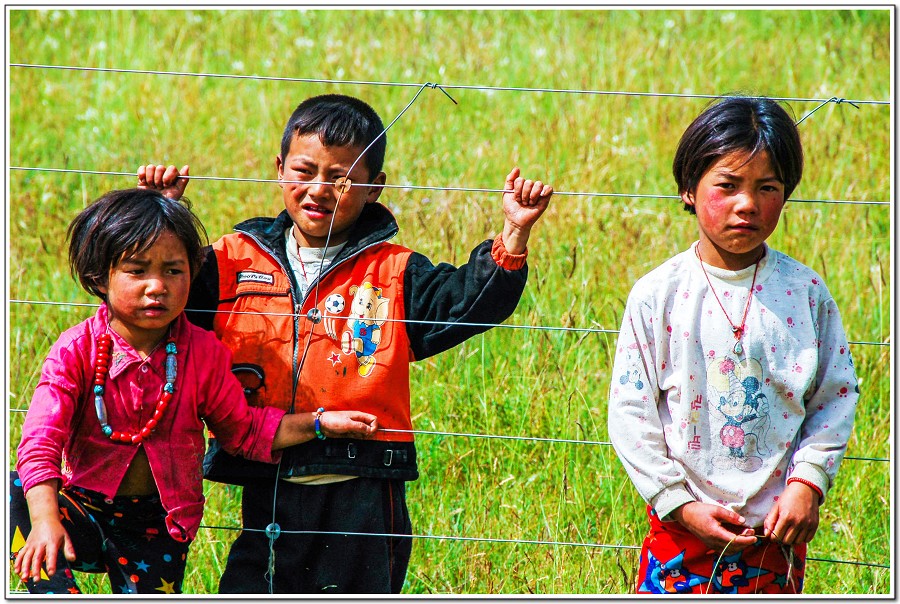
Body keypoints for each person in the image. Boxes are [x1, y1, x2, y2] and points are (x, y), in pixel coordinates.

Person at [137, 93, 554, 594]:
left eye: (341, 178)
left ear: (374, 187)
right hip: (267, 476)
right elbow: (158, 301)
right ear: (279, 169)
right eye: (304, 170)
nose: (319, 189)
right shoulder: (231, 260)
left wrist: (514, 232)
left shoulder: (394, 271)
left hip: (363, 488)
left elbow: (466, 303)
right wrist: (160, 216)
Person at [11, 188, 378, 595]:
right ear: (100, 275)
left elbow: (243, 430)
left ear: (193, 271)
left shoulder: (203, 354)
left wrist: (320, 423)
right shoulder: (77, 350)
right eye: (137, 270)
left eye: (173, 271)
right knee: (13, 492)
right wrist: (44, 519)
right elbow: (40, 443)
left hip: (159, 525)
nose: (157, 286)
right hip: (81, 508)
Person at [607, 96, 859, 594]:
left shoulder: (805, 293)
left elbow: (835, 395)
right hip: (681, 530)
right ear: (688, 188)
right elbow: (630, 412)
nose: (748, 204)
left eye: (768, 187)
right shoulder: (659, 295)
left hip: (777, 532)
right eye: (727, 185)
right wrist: (678, 503)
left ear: (786, 194)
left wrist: (807, 483)